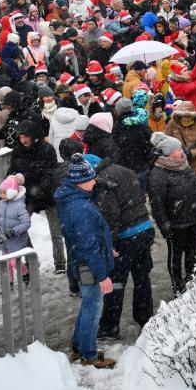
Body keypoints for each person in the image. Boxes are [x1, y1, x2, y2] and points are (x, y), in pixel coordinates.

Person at [54, 154, 116, 369]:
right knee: (92, 307)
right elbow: (87, 244)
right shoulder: (80, 209)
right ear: (81, 182)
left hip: (80, 260)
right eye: (91, 178)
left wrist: (107, 249)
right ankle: (88, 354)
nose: (95, 181)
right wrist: (102, 275)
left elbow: (89, 239)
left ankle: (79, 346)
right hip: (88, 264)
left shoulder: (72, 199)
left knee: (88, 304)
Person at [90, 151, 155, 340]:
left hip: (126, 236)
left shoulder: (103, 181)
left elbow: (111, 215)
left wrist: (112, 244)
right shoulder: (126, 171)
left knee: (116, 283)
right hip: (144, 228)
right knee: (142, 278)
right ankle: (145, 318)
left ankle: (109, 327)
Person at [146, 132, 196, 295]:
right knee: (176, 256)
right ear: (168, 153)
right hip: (176, 224)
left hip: (192, 219)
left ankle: (192, 280)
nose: (182, 151)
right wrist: (165, 227)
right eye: (178, 149)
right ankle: (178, 287)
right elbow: (157, 205)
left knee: (193, 253)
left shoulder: (183, 164)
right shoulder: (158, 174)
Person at [10, 122, 63, 273]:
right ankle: (32, 261)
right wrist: (8, 183)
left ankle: (60, 263)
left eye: (26, 136)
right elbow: (12, 170)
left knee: (56, 232)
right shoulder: (18, 151)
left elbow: (51, 172)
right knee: (19, 227)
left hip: (48, 194)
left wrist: (41, 188)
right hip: (28, 195)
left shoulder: (47, 149)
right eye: (20, 137)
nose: (23, 140)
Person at [0, 175, 32, 285]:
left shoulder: (20, 206)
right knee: (6, 263)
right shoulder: (1, 203)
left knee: (15, 262)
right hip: (4, 238)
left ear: (12, 192)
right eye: (0, 192)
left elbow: (26, 223)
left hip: (16, 240)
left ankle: (25, 272)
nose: (1, 195)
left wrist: (13, 231)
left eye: (4, 192)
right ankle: (9, 281)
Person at [165, 102, 196, 177]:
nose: (186, 119)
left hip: (192, 165)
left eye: (189, 117)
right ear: (179, 116)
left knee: (193, 186)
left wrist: (192, 153)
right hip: (176, 164)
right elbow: (165, 141)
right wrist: (174, 152)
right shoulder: (172, 124)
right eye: (184, 116)